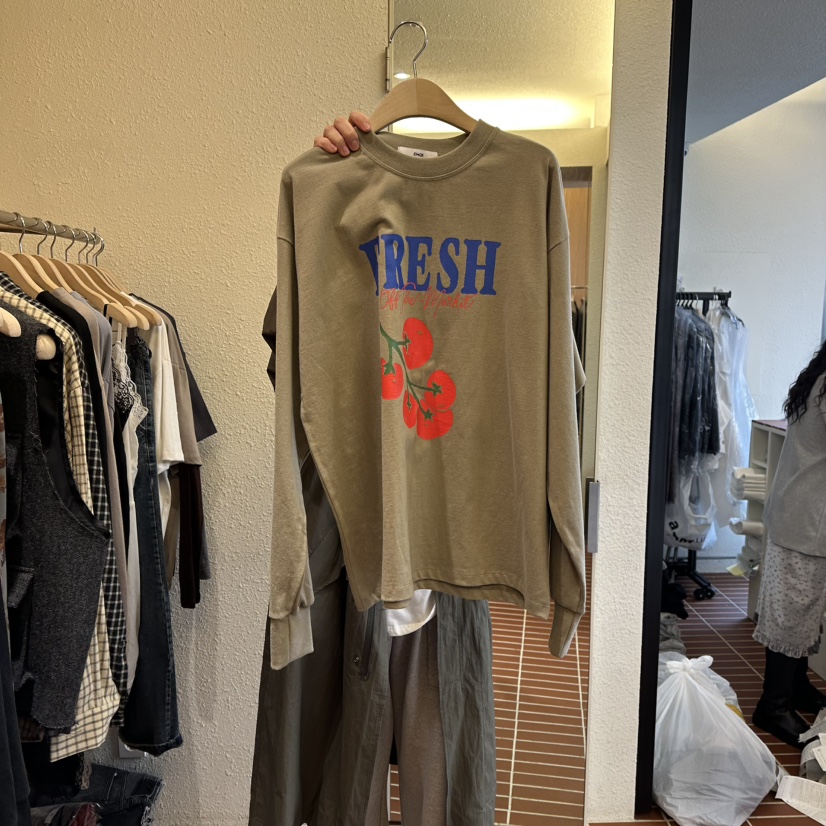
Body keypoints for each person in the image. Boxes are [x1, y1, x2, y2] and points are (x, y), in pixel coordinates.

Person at [753, 340, 826, 747]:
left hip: (796, 512)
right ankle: (773, 705)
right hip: (807, 522)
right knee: (794, 611)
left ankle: (795, 688)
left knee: (801, 608)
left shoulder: (817, 377)